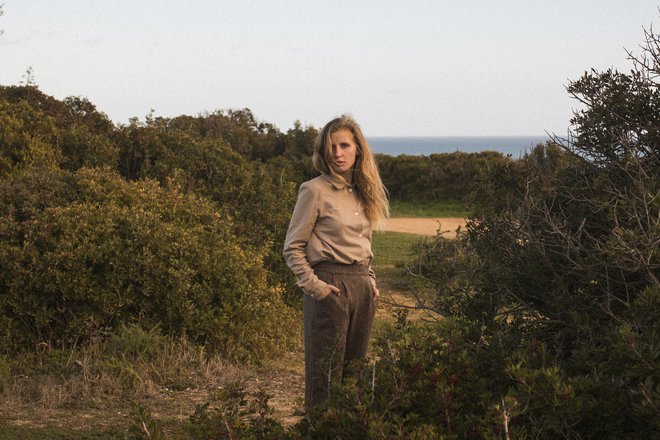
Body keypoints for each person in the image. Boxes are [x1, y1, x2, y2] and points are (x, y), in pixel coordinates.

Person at [283, 114, 389, 409]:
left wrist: (370, 282)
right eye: (332, 147)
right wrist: (316, 287)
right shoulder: (313, 190)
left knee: (354, 375)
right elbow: (292, 248)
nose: (338, 153)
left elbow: (364, 245)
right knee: (325, 378)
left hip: (361, 289)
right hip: (329, 285)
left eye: (344, 145)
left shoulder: (364, 192)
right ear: (323, 151)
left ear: (358, 149)